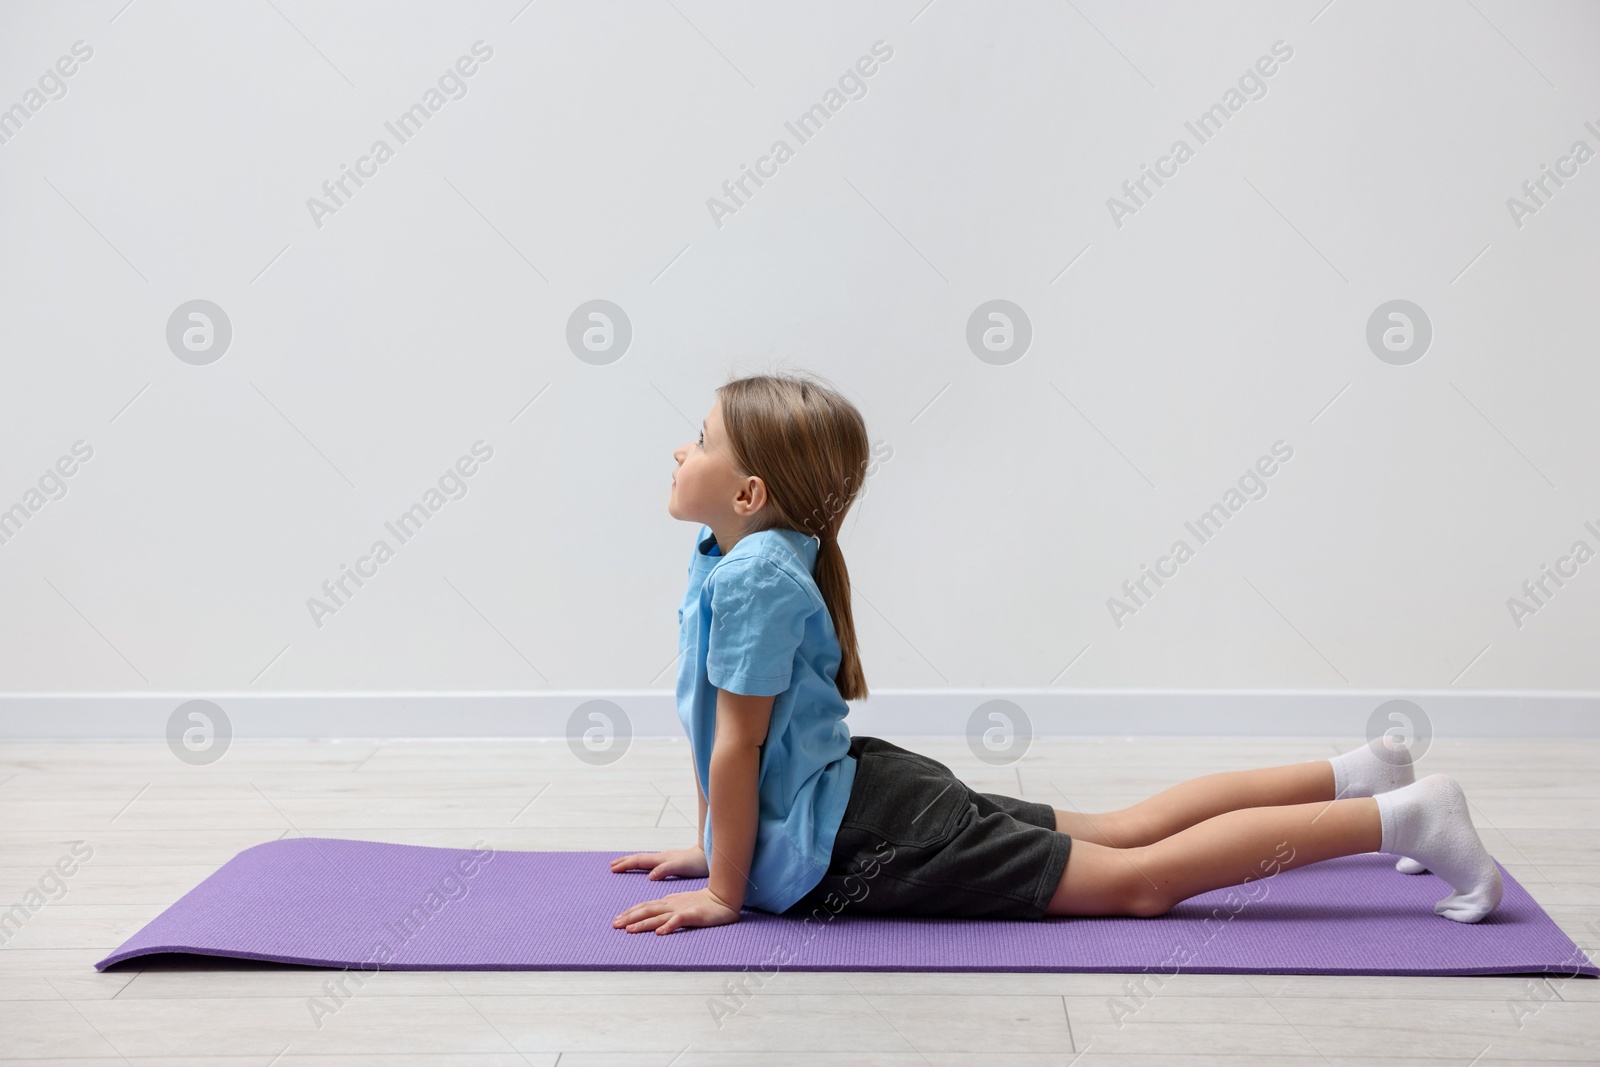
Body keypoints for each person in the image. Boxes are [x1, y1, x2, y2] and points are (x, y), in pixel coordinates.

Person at [610, 371, 1503, 934]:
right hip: (859, 802)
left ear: (749, 489)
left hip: (861, 830)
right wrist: (711, 845)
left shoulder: (751, 577)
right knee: (1123, 831)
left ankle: (1407, 816)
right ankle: (1365, 772)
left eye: (701, 437)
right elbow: (715, 733)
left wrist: (727, 888)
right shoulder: (730, 559)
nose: (680, 447)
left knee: (1140, 881)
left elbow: (737, 746)